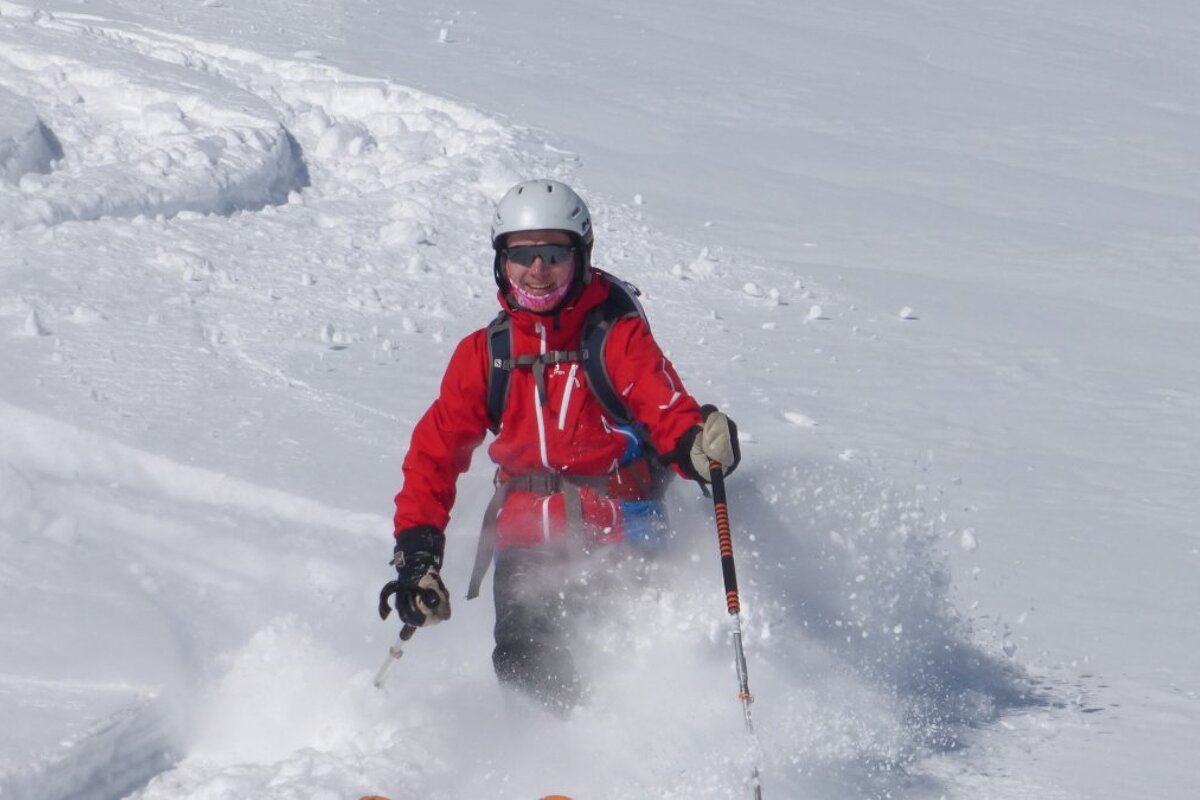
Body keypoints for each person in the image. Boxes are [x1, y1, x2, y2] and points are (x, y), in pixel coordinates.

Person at [378, 178, 740, 713]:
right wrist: (417, 555)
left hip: (623, 532)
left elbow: (661, 402)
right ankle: (547, 774)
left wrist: (696, 444)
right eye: (522, 254)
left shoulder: (614, 337)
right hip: (526, 541)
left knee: (626, 669)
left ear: (581, 257)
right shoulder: (487, 353)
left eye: (554, 253)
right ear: (501, 261)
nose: (538, 269)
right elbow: (435, 452)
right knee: (526, 664)